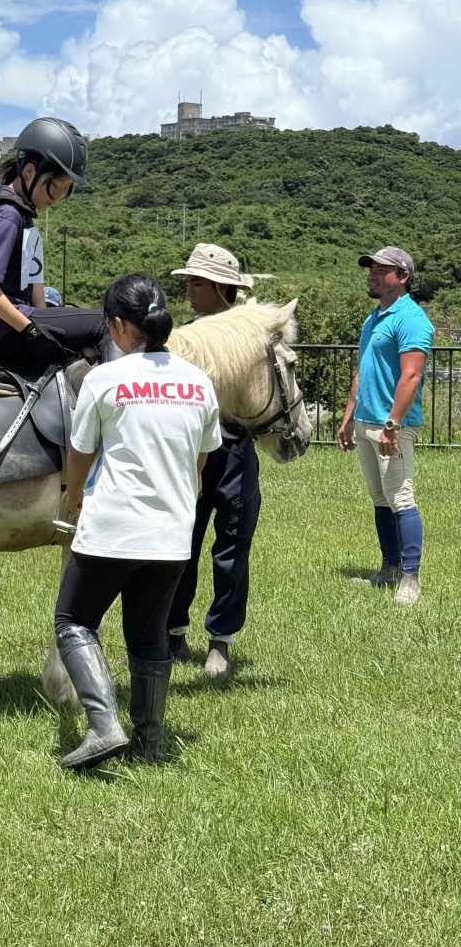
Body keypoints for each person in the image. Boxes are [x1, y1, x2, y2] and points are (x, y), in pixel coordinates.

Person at [54, 273, 221, 771]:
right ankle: (148, 743)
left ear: (120, 326)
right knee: (149, 637)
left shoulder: (104, 379)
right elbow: (200, 460)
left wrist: (74, 498)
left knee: (74, 622)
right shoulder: (198, 382)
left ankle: (104, 725)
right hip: (172, 535)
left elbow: (80, 454)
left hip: (111, 530)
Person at [165, 243, 261, 678]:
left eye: (197, 283)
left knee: (232, 547)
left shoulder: (250, 340)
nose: (189, 290)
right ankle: (173, 631)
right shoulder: (181, 339)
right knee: (181, 543)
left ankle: (221, 640)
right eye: (188, 282)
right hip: (189, 454)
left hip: (236, 452)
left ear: (223, 288)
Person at [0, 117, 108, 371]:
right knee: (107, 323)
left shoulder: (22, 213)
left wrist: (47, 323)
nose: (58, 196)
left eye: (66, 188)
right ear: (29, 172)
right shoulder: (7, 215)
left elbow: (33, 281)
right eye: (56, 185)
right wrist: (31, 331)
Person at [337, 247, 433, 606]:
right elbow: (363, 370)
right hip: (366, 422)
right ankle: (389, 568)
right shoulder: (374, 317)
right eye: (371, 269)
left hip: (392, 426)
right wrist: (349, 416)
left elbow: (411, 376)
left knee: (401, 498)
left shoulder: (412, 319)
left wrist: (392, 425)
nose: (372, 275)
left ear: (403, 277)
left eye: (382, 270)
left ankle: (410, 579)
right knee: (380, 499)